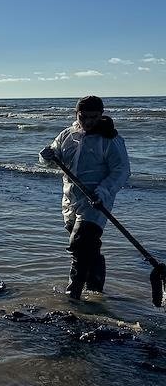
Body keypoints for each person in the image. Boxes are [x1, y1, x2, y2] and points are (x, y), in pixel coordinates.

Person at [39, 95, 130, 300]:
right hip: (70, 199)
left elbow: (121, 170)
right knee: (88, 247)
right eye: (84, 117)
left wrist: (103, 191)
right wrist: (47, 156)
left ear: (101, 115)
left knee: (79, 244)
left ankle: (74, 295)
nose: (88, 122)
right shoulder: (67, 135)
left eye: (94, 117)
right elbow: (56, 159)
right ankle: (96, 290)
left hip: (96, 201)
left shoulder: (110, 139)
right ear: (76, 114)